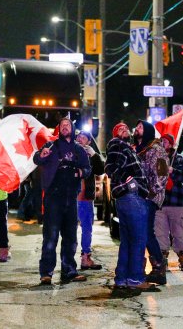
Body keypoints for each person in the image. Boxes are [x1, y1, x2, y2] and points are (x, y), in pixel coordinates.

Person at [33, 117, 91, 284]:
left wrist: (80, 172)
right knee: (50, 237)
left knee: (70, 237)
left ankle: (69, 271)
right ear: (59, 129)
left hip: (71, 197)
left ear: (72, 129)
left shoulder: (79, 149)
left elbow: (87, 169)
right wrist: (41, 155)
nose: (65, 127)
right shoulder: (51, 145)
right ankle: (46, 273)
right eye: (62, 125)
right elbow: (37, 159)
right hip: (53, 197)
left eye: (68, 125)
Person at [105, 122, 153, 290]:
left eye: (126, 128)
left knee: (127, 241)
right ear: (115, 134)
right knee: (139, 239)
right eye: (120, 128)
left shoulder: (125, 146)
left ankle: (122, 278)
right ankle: (135, 279)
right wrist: (130, 180)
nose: (125, 129)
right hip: (132, 197)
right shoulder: (117, 144)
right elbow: (110, 168)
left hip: (126, 198)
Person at [134, 120, 169, 285]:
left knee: (147, 231)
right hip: (139, 197)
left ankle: (159, 266)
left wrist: (152, 191)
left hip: (150, 197)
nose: (137, 129)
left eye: (140, 127)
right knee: (142, 231)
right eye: (137, 127)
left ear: (147, 131)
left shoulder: (157, 150)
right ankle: (149, 266)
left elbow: (162, 174)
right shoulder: (139, 150)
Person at [155, 133, 183, 271]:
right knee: (160, 234)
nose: (163, 143)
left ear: (171, 145)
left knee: (178, 232)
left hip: (176, 202)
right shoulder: (156, 159)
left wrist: (173, 171)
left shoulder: (179, 160)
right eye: (161, 141)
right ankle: (162, 260)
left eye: (165, 141)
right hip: (160, 203)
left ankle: (182, 258)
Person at [75, 130, 104, 270]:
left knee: (87, 228)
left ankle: (85, 257)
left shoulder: (91, 155)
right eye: (79, 137)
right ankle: (67, 261)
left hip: (86, 197)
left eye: (84, 138)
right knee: (69, 230)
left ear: (89, 142)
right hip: (71, 197)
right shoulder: (71, 150)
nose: (80, 139)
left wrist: (94, 155)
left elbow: (101, 170)